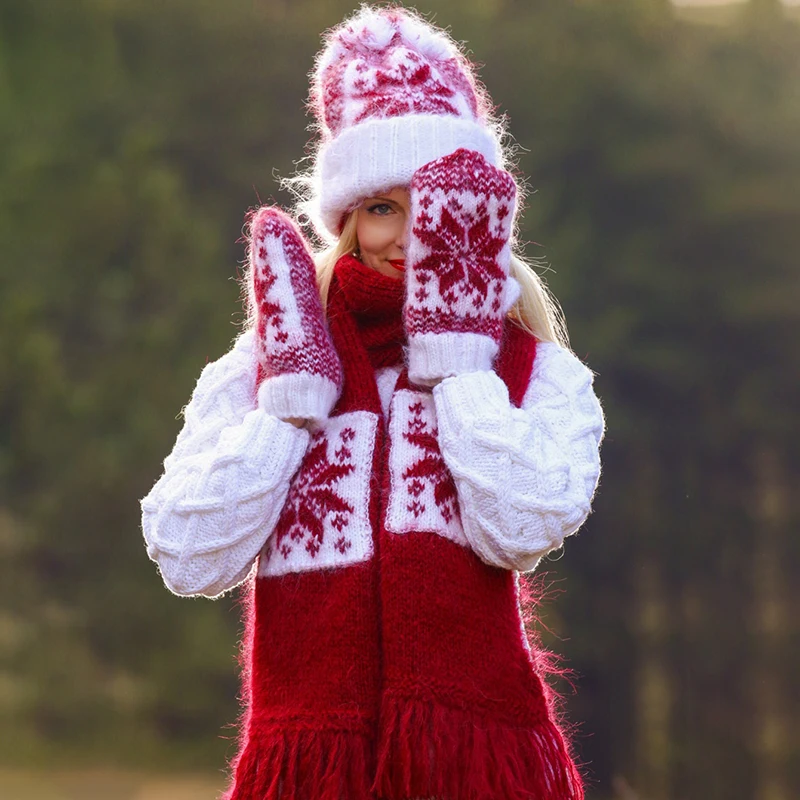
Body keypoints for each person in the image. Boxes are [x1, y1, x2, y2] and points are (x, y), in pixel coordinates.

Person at [140, 5, 605, 799]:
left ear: (479, 222)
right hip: (311, 772)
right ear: (347, 221)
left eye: (432, 206)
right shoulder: (264, 368)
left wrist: (458, 358)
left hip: (474, 768)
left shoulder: (533, 371)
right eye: (382, 208)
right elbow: (188, 555)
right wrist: (287, 406)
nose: (404, 236)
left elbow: (522, 528)